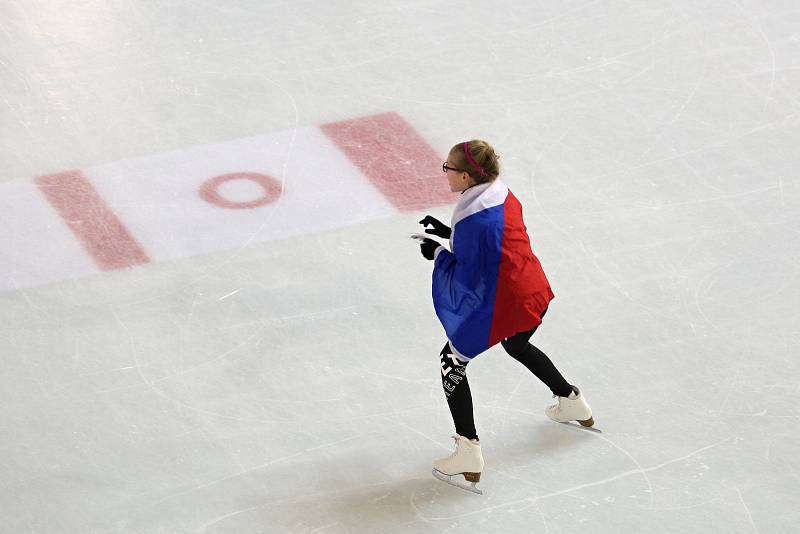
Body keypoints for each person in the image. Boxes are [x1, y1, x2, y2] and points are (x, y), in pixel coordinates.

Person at [417, 140, 593, 494]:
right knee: (517, 343)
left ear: (466, 176)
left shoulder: (471, 220)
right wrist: (449, 235)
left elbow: (469, 276)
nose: (445, 174)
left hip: (506, 302)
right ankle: (572, 400)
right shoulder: (502, 196)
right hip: (534, 291)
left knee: (451, 362)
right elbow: (492, 247)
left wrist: (436, 252)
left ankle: (468, 450)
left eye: (448, 169)